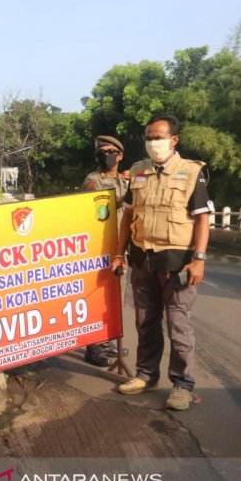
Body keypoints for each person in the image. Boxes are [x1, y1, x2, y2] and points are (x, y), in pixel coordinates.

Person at [112, 114, 213, 411]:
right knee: (145, 322)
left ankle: (182, 385)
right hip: (142, 259)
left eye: (158, 137)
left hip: (177, 262)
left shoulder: (192, 172)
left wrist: (200, 259)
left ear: (173, 140)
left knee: (178, 326)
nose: (152, 142)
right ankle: (146, 375)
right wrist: (119, 252)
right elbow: (128, 216)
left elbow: (202, 219)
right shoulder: (138, 171)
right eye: (148, 137)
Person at [81, 135, 130, 367]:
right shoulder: (92, 180)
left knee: (117, 298)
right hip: (99, 248)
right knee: (98, 297)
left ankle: (109, 341)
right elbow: (98, 211)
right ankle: (93, 347)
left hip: (121, 248)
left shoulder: (125, 180)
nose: (106, 155)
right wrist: (123, 200)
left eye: (110, 151)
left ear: (119, 155)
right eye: (102, 151)